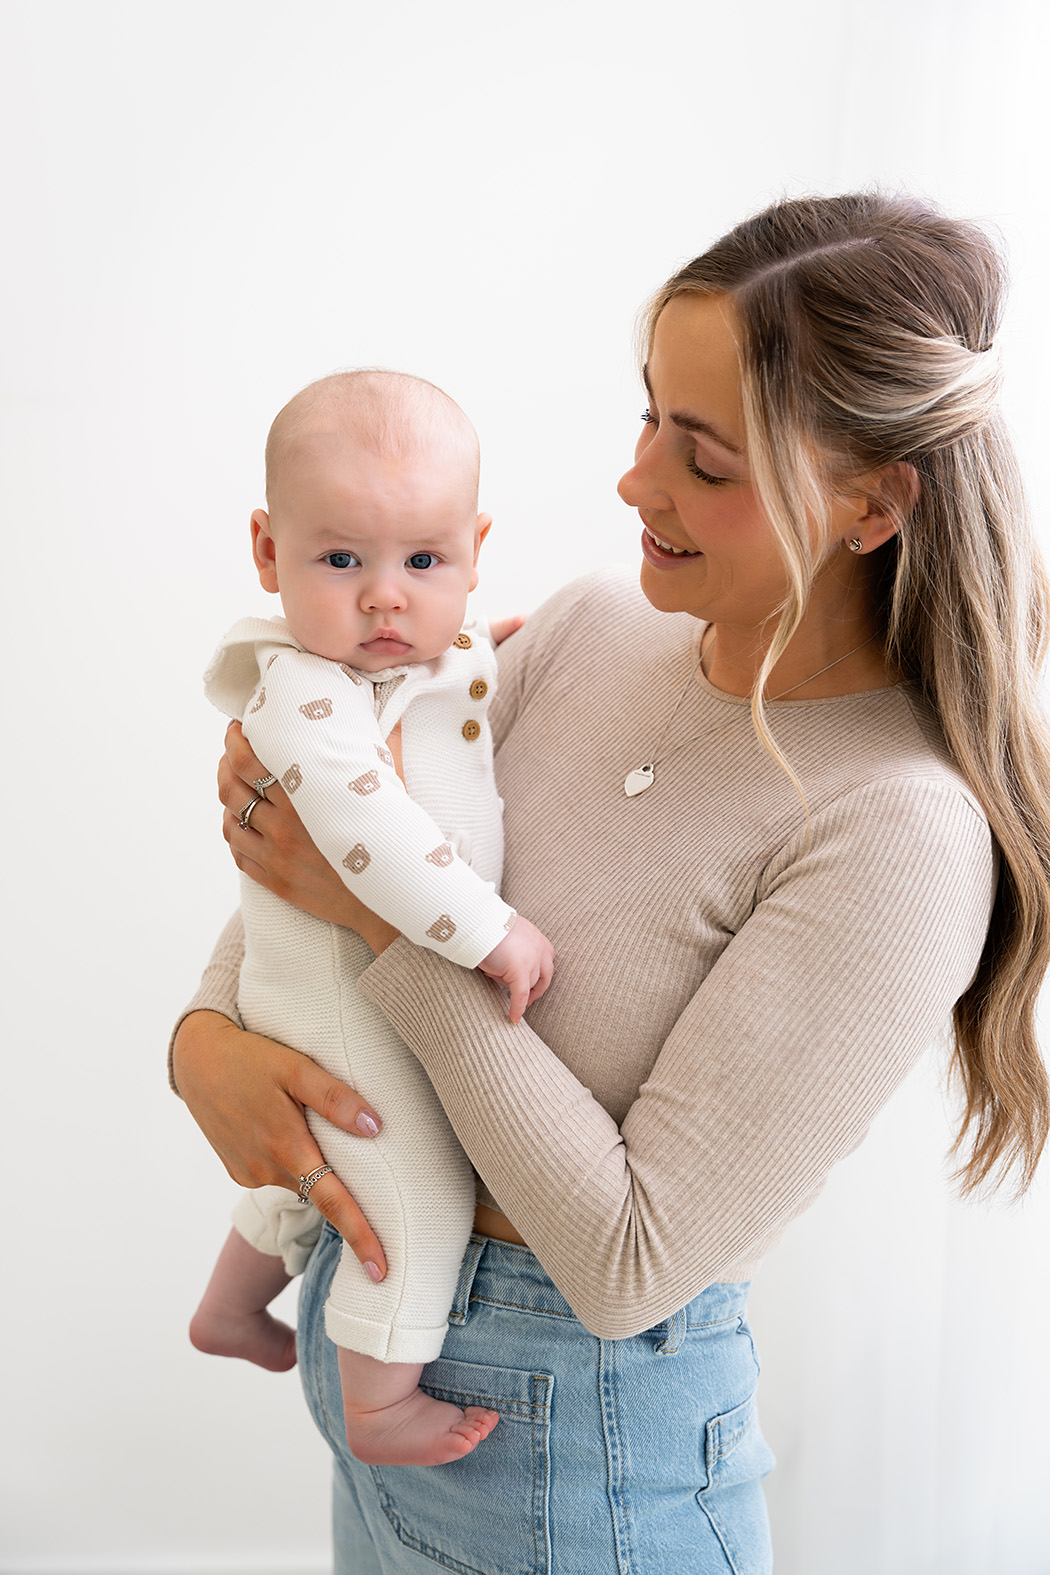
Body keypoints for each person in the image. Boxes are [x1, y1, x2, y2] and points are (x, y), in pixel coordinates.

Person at [171, 193, 1050, 1574]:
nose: (635, 482)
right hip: (372, 1343)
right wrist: (203, 1040)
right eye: (648, 417)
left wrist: (379, 936)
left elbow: (630, 1255)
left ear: (872, 502)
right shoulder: (593, 621)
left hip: (580, 1449)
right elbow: (325, 857)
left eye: (701, 459)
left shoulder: (897, 832)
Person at [187, 368, 554, 1469]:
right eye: (342, 560)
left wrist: (486, 642)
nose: (387, 598)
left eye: (425, 562)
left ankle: (229, 1309)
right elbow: (370, 837)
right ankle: (381, 1401)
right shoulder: (301, 688)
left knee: (322, 1177)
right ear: (269, 552)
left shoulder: (409, 660)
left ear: (474, 547)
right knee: (414, 1185)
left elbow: (430, 702)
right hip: (334, 990)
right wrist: (491, 930)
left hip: (341, 983)